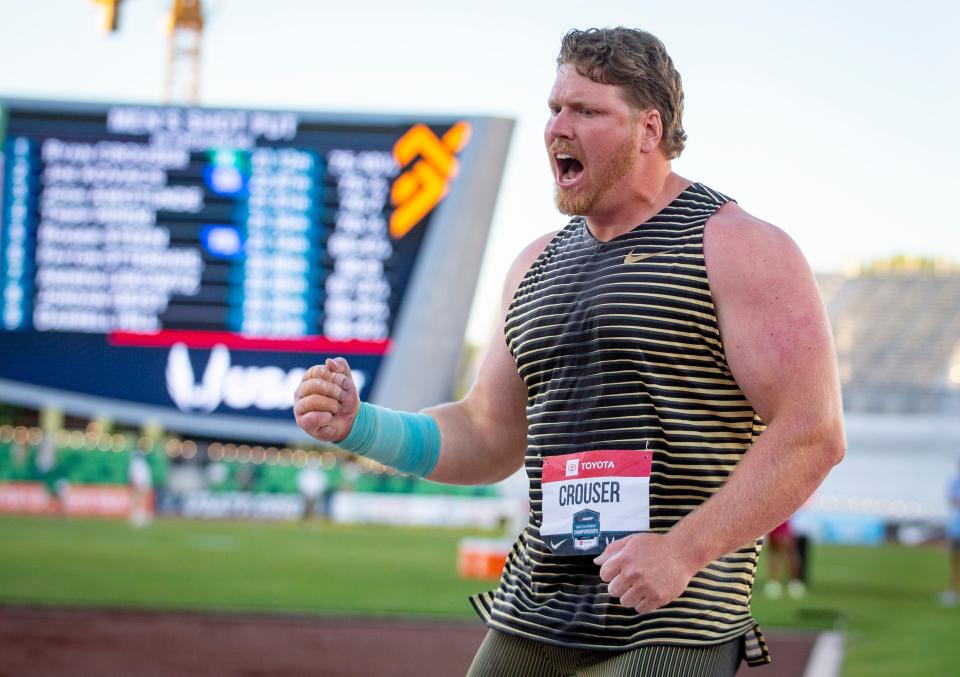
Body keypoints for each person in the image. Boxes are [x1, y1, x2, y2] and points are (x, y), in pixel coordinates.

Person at [294, 27, 845, 675]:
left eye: (586, 111)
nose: (558, 126)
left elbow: (812, 433)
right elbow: (486, 431)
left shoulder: (738, 246)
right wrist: (363, 424)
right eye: (555, 107)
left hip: (674, 619)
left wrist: (683, 550)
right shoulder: (533, 266)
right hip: (534, 612)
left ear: (649, 129)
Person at [764, 518, 806, 599]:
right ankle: (793, 584)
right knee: (788, 552)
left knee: (776, 552)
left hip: (774, 519)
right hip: (781, 519)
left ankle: (774, 584)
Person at [942, 459, 960, 607]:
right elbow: (952, 500)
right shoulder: (955, 481)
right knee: (955, 560)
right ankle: (953, 590)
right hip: (956, 527)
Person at [127, 450, 153, 528]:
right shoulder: (143, 463)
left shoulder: (136, 463)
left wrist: (136, 484)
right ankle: (140, 517)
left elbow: (135, 475)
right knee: (140, 501)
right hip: (143, 484)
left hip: (139, 484)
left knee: (138, 501)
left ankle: (139, 517)